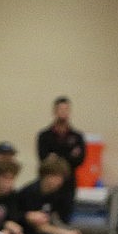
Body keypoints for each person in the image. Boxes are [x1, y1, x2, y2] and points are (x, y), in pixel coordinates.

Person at [36, 96, 85, 224]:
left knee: (65, 220)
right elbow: (44, 160)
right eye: (60, 109)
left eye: (66, 109)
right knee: (45, 218)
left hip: (68, 186)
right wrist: (69, 155)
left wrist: (57, 157)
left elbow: (80, 160)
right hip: (47, 186)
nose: (63, 112)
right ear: (54, 111)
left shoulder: (77, 136)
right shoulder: (44, 136)